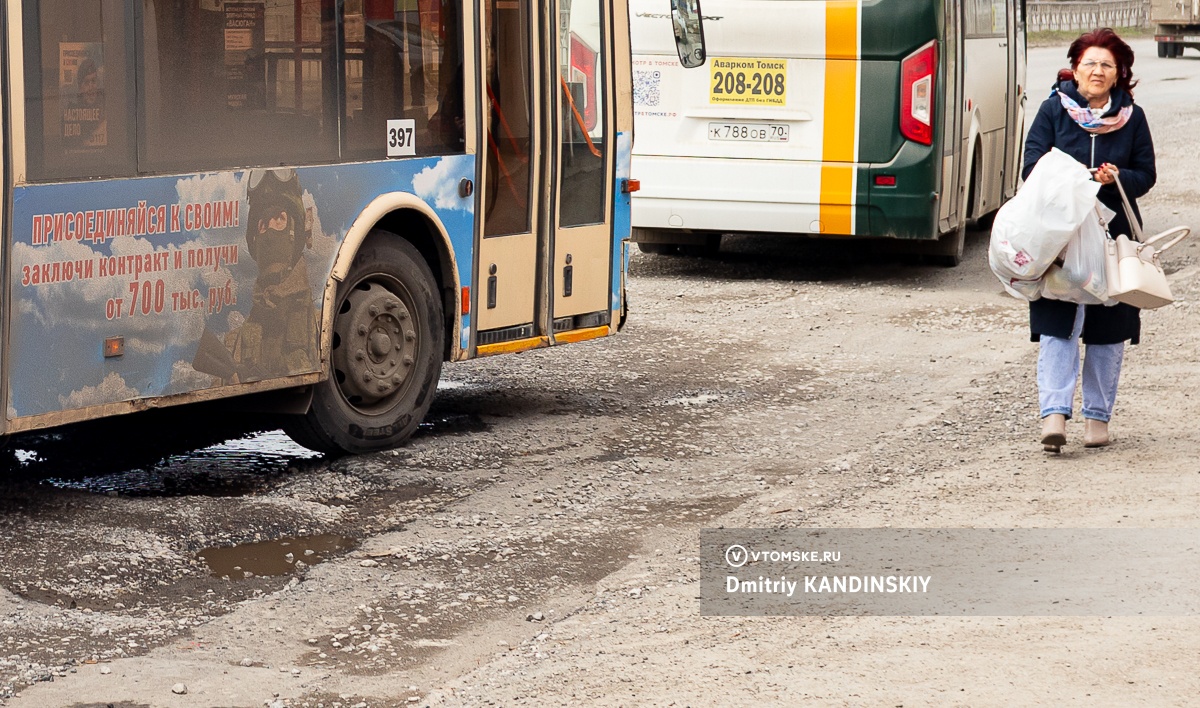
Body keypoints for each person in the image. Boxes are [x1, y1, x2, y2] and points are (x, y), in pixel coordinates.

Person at [1021, 28, 1156, 452]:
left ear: (1119, 75)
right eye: (1089, 64)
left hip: (1112, 238)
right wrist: (1074, 178)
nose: (1097, 71)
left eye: (1106, 65)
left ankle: (1098, 418)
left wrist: (1117, 178)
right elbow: (1032, 165)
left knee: (1108, 328)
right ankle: (1054, 415)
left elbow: (1146, 175)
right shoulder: (1053, 111)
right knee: (1058, 325)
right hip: (1059, 237)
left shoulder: (1133, 118)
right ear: (1075, 69)